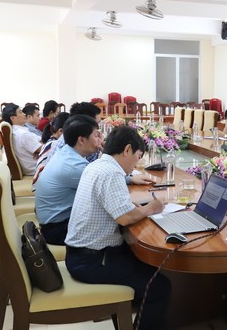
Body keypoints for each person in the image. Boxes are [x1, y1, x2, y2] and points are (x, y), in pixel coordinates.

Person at [65, 125, 171, 330]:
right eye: (138, 157)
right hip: (92, 261)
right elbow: (124, 218)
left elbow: (116, 207)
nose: (136, 163)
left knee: (150, 265)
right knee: (160, 286)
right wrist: (152, 207)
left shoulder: (97, 165)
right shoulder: (112, 172)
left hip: (82, 255)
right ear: (127, 149)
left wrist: (134, 206)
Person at [35, 115, 101, 244]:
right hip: (58, 229)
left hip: (54, 222)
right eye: (96, 136)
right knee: (117, 223)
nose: (99, 140)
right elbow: (105, 185)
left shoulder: (66, 151)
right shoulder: (73, 166)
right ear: (82, 140)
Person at [1, 103, 42, 176]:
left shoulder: (19, 130)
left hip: (36, 164)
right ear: (13, 118)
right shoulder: (23, 134)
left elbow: (40, 140)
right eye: (20, 112)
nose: (24, 114)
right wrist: (40, 148)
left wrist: (39, 147)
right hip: (38, 167)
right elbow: (43, 149)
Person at [32, 112, 70, 189]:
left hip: (41, 184)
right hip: (43, 186)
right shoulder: (56, 145)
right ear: (61, 131)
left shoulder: (51, 141)